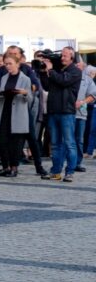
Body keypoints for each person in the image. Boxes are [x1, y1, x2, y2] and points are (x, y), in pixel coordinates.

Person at [40, 46, 82, 182]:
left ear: (72, 57)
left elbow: (64, 81)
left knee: (69, 143)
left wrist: (50, 70)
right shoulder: (56, 70)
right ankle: (56, 171)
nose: (62, 58)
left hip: (67, 112)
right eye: (62, 55)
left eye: (65, 55)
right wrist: (43, 71)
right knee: (55, 144)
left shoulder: (75, 71)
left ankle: (69, 172)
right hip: (53, 110)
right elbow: (47, 86)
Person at [0, 54, 33, 177]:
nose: (8, 66)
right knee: (2, 140)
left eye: (10, 63)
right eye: (6, 64)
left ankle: (14, 168)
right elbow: (2, 92)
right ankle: (5, 167)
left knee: (15, 143)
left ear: (17, 64)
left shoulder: (25, 79)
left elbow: (31, 99)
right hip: (4, 111)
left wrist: (25, 93)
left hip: (18, 114)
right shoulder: (4, 77)